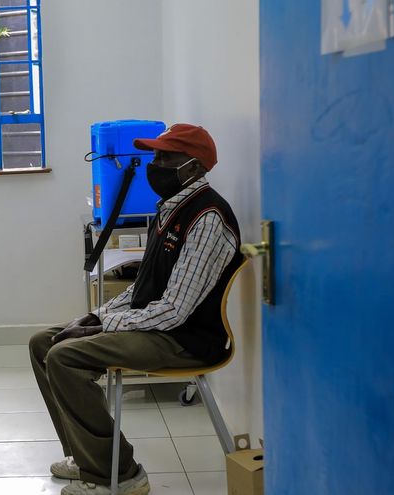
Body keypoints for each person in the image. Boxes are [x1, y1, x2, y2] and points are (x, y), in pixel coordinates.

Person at [29, 123, 243, 495]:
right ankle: (86, 457)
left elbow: (175, 310)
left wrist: (101, 328)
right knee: (42, 344)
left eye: (165, 157)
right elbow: (142, 289)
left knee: (65, 358)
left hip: (183, 339)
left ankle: (120, 475)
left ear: (193, 167)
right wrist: (95, 316)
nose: (154, 164)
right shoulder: (170, 210)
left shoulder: (207, 217)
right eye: (155, 155)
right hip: (156, 326)